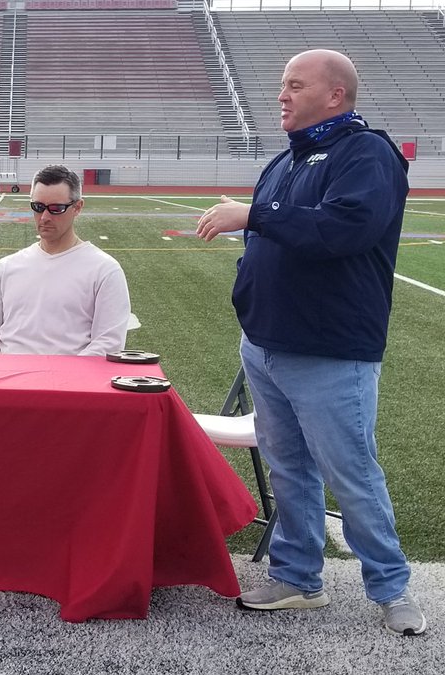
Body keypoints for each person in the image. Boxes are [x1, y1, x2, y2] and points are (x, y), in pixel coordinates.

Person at [196, 49, 424, 636]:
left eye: (295, 85)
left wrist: (254, 215)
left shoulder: (367, 154)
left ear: (335, 96)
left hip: (330, 351)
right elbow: (271, 239)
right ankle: (298, 578)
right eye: (280, 85)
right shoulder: (284, 161)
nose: (282, 94)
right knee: (288, 468)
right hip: (267, 345)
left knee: (350, 472)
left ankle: (392, 588)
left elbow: (345, 228)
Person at [0, 165, 130, 356]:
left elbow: (108, 343)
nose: (44, 217)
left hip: (68, 384)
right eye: (38, 207)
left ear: (77, 207)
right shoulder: (7, 267)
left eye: (56, 209)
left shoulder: (104, 270)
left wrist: (56, 381)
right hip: (6, 381)